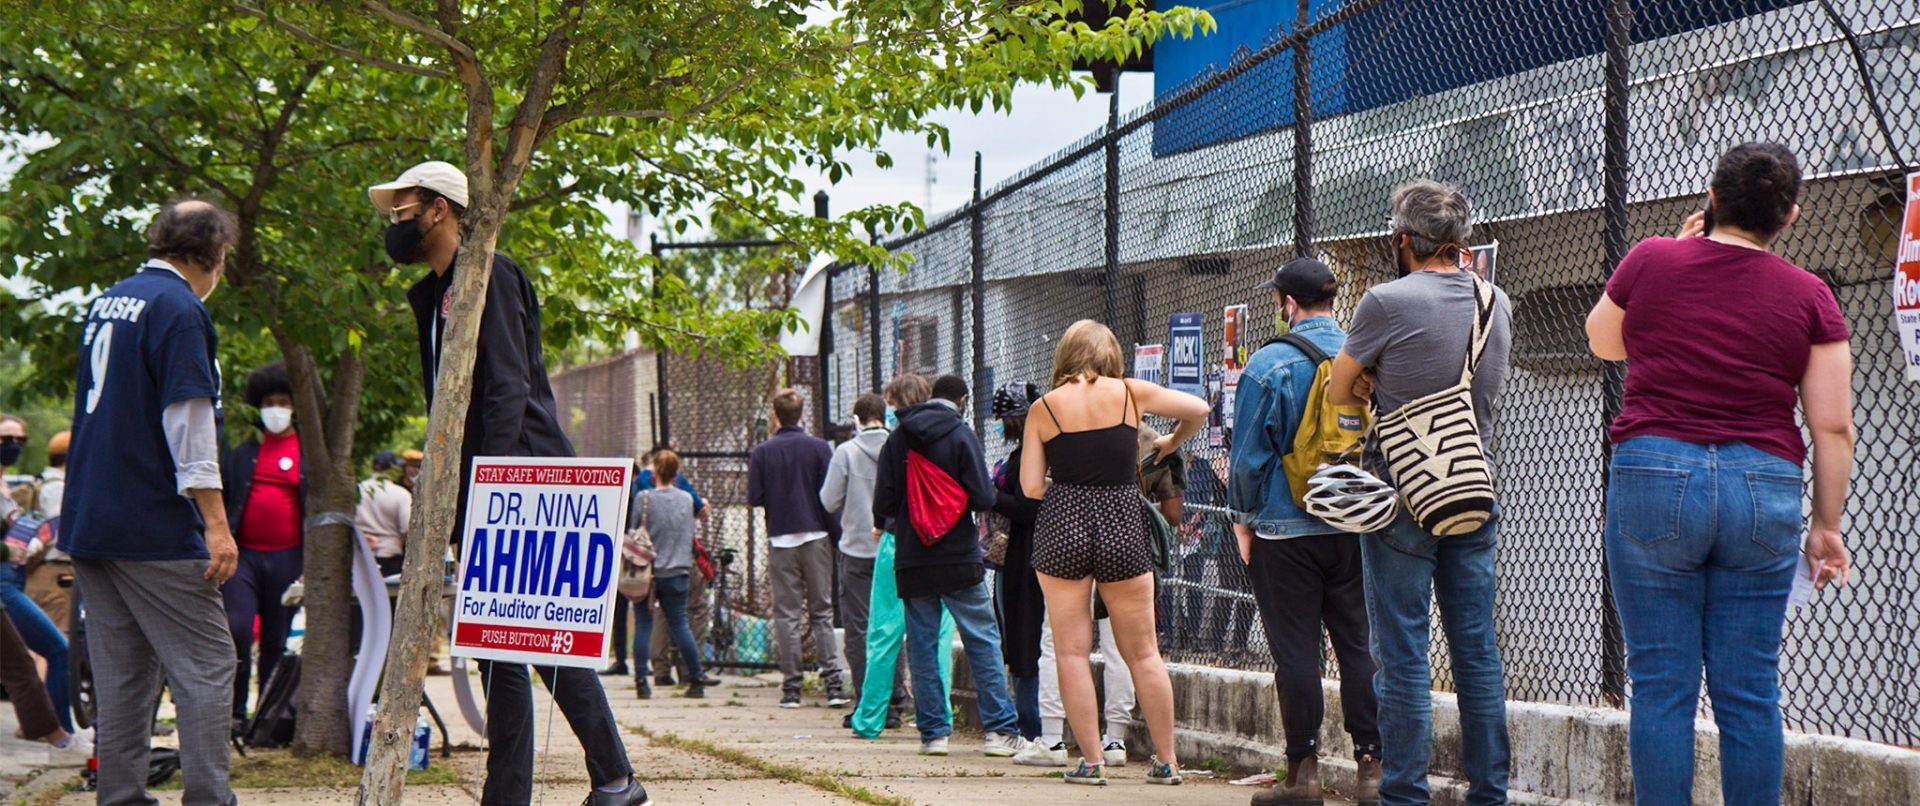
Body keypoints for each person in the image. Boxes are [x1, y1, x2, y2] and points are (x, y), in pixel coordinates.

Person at [1583, 143, 1854, 805]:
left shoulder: (1651, 258)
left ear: (1710, 195)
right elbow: (1832, 428)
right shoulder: (1811, 296)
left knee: (1661, 682)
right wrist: (1825, 526)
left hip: (1653, 471)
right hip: (1762, 485)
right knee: (1750, 688)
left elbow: (1603, 340)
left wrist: (1671, 254)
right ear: (1788, 216)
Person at [371, 160, 647, 806]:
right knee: (505, 644)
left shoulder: (488, 273)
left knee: (526, 640)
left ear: (440, 209)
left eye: (404, 209)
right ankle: (589, 782)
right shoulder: (437, 293)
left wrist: (491, 489)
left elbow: (506, 391)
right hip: (488, 484)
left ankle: (609, 778)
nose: (395, 222)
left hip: (517, 480)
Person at [1327, 180, 1514, 805]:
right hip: (1472, 491)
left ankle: (1404, 794)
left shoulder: (1385, 301)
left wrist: (1377, 384)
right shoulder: (1497, 303)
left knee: (1403, 655)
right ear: (1461, 241)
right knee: (1477, 653)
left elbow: (1338, 389)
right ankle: (1491, 793)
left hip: (1401, 495)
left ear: (1403, 241)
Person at [59, 198, 240, 806]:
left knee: (123, 677)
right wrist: (217, 525)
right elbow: (189, 426)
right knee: (208, 665)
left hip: (91, 518)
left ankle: (122, 797)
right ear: (213, 254)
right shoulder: (180, 310)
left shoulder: (110, 300)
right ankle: (210, 798)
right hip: (152, 521)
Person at [1022, 321, 1207, 786]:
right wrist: (1170, 443)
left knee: (1070, 649)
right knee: (1143, 651)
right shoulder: (1129, 393)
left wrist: (1065, 494)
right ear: (1111, 357)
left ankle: (1090, 762)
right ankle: (1166, 761)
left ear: (1065, 356)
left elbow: (1028, 486)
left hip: (1063, 520)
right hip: (1123, 518)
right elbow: (1199, 408)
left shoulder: (1044, 408)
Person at [1228, 257, 1383, 804]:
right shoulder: (1363, 354)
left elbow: (1247, 455)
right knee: (1357, 646)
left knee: (1296, 651)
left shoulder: (1267, 364)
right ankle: (1372, 769)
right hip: (1353, 525)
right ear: (1331, 300)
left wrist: (1243, 520)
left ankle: (1302, 774)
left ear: (1286, 304)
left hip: (1282, 529)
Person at [874, 374, 1027, 759]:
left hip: (913, 558)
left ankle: (933, 734)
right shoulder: (961, 435)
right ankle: (999, 731)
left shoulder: (897, 439)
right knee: (982, 638)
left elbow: (883, 505)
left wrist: (915, 517)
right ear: (962, 399)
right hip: (958, 555)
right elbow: (981, 496)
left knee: (922, 646)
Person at [1008, 383, 1139, 769]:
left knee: (1061, 643)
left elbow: (1030, 486)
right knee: (1123, 644)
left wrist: (1064, 492)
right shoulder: (1132, 410)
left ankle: (1052, 738)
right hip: (1123, 532)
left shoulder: (1053, 412)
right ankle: (1115, 739)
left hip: (1068, 530)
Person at [848, 375, 951, 739]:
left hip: (898, 540)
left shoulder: (898, 439)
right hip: (943, 544)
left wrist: (880, 524)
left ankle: (870, 718)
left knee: (884, 632)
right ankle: (939, 717)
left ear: (897, 402)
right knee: (937, 635)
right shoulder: (952, 433)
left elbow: (884, 495)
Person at [748, 388, 849, 709]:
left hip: (781, 539)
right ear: (802, 413)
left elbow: (754, 497)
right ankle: (833, 683)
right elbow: (829, 498)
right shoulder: (819, 448)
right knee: (822, 612)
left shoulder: (762, 452)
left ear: (776, 415)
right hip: (816, 536)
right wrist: (837, 537)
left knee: (787, 615)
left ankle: (792, 688)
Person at [220, 360, 306, 729]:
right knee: (237, 628)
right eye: (270, 401)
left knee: (276, 637)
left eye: (284, 401)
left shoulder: (306, 449)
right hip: (245, 557)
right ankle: (234, 712)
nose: (276, 408)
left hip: (289, 557)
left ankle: (266, 713)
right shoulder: (243, 448)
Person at [820, 393, 904, 727]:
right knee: (892, 625)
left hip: (856, 550)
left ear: (856, 419)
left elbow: (828, 501)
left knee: (858, 628)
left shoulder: (847, 452)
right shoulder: (898, 447)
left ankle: (866, 702)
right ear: (885, 416)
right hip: (893, 547)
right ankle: (895, 701)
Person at [985, 382, 1045, 742]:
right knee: (1020, 637)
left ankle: (1031, 726)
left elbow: (1028, 507)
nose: (1000, 425)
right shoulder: (1029, 452)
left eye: (1004, 418)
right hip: (1016, 556)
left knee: (1026, 639)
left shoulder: (1032, 456)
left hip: (1027, 556)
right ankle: (1030, 724)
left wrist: (990, 495)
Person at [631, 449, 710, 701]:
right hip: (678, 569)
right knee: (680, 624)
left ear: (654, 473)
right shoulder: (687, 499)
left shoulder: (643, 498)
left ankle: (642, 680)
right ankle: (696, 679)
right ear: (676, 473)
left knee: (644, 624)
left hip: (648, 571)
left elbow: (633, 531)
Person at [26, 430, 74, 632]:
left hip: (39, 572)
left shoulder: (40, 483)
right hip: (55, 575)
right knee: (57, 640)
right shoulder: (59, 487)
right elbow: (55, 531)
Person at [356, 451, 412, 578]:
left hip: (361, 556)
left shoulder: (357, 490)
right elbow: (407, 528)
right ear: (392, 469)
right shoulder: (400, 494)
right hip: (390, 558)